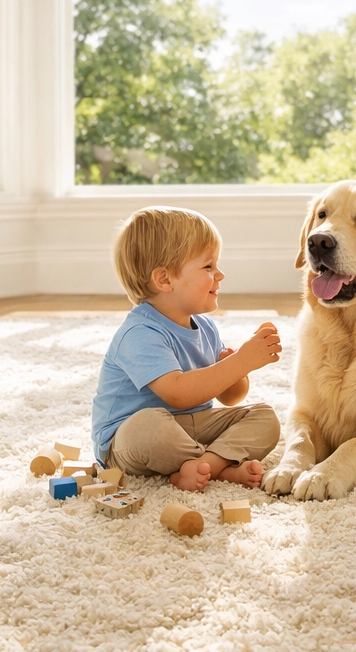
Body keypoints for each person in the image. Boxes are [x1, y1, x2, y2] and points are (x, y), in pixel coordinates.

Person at [91, 206, 283, 491]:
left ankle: (205, 465)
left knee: (266, 417)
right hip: (128, 440)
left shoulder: (205, 327)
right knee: (147, 427)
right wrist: (241, 361)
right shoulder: (138, 333)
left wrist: (237, 370)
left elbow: (231, 397)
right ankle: (219, 465)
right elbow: (178, 394)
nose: (220, 275)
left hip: (192, 425)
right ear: (165, 279)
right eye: (208, 266)